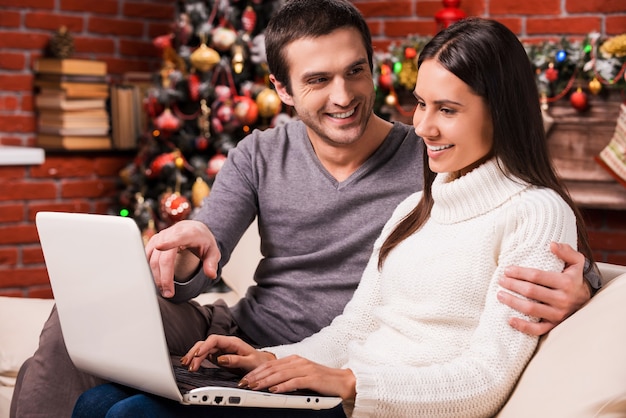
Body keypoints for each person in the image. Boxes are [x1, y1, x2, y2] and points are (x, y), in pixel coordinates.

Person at [12, 1, 599, 417]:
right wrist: (188, 258)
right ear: (284, 90)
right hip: (259, 335)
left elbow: (535, 239)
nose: (342, 97)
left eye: (355, 72)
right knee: (78, 332)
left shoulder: (425, 165)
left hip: (336, 373)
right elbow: (203, 263)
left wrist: (582, 290)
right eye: (317, 80)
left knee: (117, 411)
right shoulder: (270, 155)